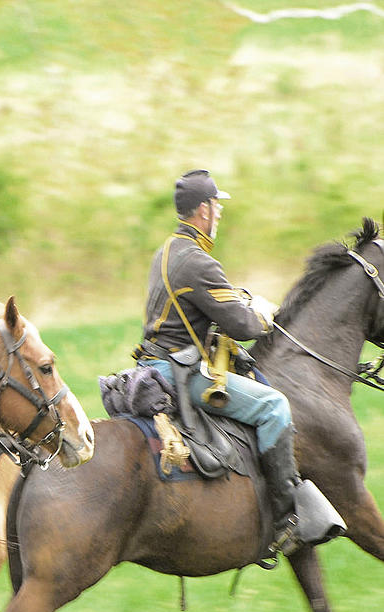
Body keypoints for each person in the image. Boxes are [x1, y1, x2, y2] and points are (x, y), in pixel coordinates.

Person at [132, 169, 342, 557]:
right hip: (179, 374)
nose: (220, 214)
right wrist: (262, 311)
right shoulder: (197, 261)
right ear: (203, 210)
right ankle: (285, 522)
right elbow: (244, 327)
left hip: (153, 365)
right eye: (217, 206)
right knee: (274, 405)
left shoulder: (166, 251)